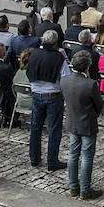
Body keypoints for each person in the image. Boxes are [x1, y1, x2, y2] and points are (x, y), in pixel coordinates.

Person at [62, 49, 104, 200]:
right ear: (87, 66)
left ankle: (73, 187)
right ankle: (85, 190)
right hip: (87, 124)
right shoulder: (90, 84)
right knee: (86, 157)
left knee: (73, 154)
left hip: (73, 121)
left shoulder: (64, 80)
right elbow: (99, 105)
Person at [27, 29, 68, 170]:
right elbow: (65, 79)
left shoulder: (34, 54)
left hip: (36, 93)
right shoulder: (59, 58)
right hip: (53, 96)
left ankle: (34, 158)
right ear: (56, 42)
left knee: (35, 127)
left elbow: (28, 71)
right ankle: (52, 161)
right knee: (54, 129)